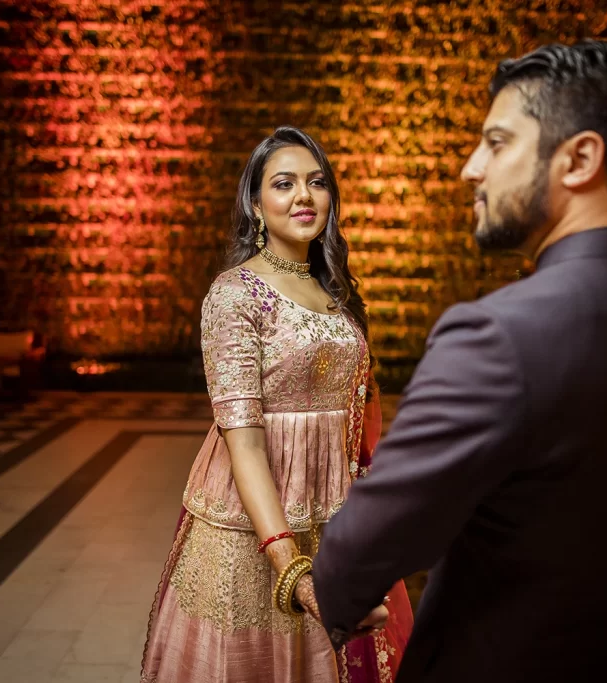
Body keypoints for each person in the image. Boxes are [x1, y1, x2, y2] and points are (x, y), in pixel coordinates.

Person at [312, 41, 607, 683]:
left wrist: (336, 594)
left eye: (496, 144)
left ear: (579, 159)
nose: (473, 168)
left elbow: (358, 555)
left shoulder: (495, 337)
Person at [140, 126, 413, 683]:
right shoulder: (235, 294)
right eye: (283, 184)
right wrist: (291, 569)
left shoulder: (335, 292)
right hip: (255, 529)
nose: (303, 196)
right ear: (256, 205)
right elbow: (244, 442)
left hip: (333, 515)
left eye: (316, 183)